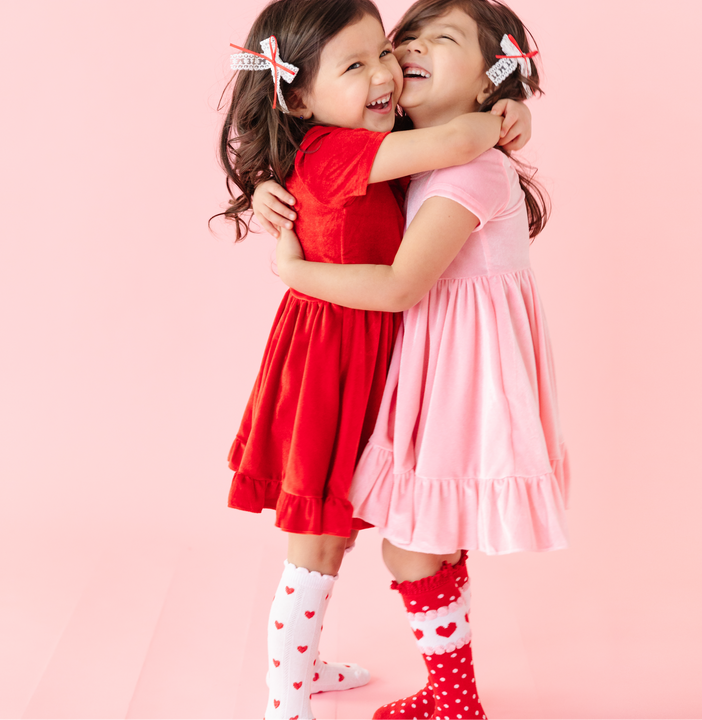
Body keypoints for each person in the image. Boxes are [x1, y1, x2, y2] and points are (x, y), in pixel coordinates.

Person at [218, 0, 532, 718]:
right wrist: (501, 114)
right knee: (319, 545)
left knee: (355, 536)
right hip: (331, 365)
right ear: (296, 96)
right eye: (356, 65)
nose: (385, 72)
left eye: (381, 52)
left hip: (376, 356)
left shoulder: (370, 147)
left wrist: (507, 106)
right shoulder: (345, 152)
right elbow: (453, 147)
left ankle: (313, 671)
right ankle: (286, 698)